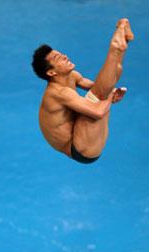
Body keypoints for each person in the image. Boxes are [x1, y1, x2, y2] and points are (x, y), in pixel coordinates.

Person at [32, 18, 134, 164]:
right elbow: (98, 112)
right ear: (51, 73)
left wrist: (113, 92)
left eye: (61, 54)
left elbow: (100, 84)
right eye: (58, 58)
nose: (65, 56)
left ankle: (122, 44)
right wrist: (111, 97)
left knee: (104, 89)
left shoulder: (72, 75)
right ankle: (116, 47)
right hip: (80, 149)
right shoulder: (58, 93)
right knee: (99, 96)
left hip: (85, 135)